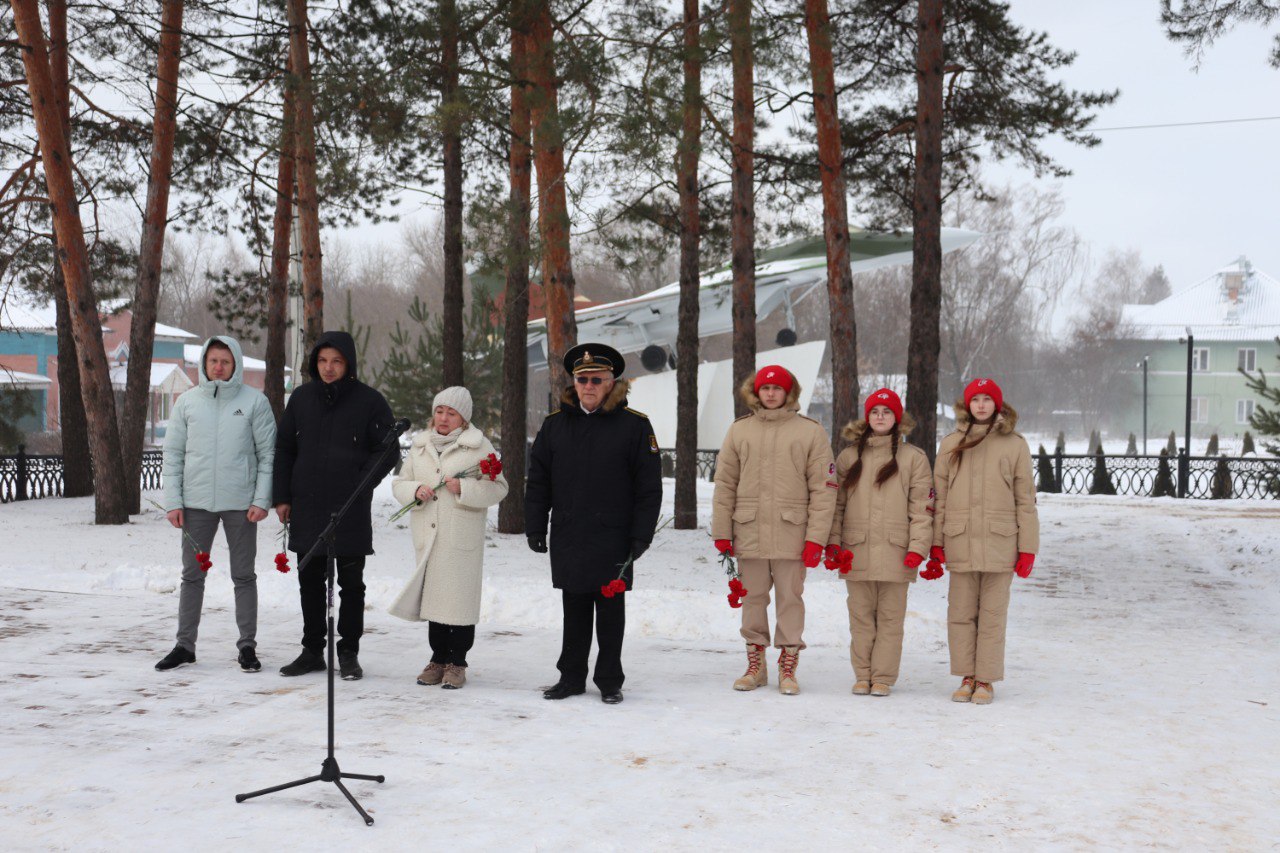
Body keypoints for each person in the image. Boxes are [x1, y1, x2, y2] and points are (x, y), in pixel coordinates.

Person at [525, 343, 662, 705]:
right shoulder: (555, 425)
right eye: (582, 379)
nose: (588, 386)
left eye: (596, 380)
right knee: (575, 609)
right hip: (570, 534)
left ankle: (609, 680)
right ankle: (570, 677)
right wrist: (535, 526)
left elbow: (649, 489)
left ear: (611, 382)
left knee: (610, 613)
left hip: (613, 537)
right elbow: (538, 480)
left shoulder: (635, 426)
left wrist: (640, 536)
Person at [273, 331, 397, 681]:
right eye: (323, 361)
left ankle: (348, 652)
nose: (329, 368)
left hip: (350, 508)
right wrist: (282, 497)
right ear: (315, 363)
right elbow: (284, 449)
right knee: (309, 580)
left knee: (351, 584)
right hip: (307, 505)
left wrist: (360, 481)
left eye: (337, 361)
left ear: (349, 363)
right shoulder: (301, 398)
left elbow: (388, 450)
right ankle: (312, 650)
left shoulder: (370, 401)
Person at [711, 365, 836, 695]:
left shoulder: (810, 432)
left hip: (791, 535)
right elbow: (725, 484)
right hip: (749, 531)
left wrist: (815, 539)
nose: (770, 394)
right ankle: (756, 665)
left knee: (789, 600)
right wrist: (722, 531)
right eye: (764, 388)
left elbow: (824, 489)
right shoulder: (739, 431)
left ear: (788, 393)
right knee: (753, 599)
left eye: (777, 389)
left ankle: (788, 665)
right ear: (756, 392)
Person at [156, 336, 276, 673]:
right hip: (195, 505)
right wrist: (173, 502)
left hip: (241, 505)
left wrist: (261, 499)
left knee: (243, 576)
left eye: (225, 361)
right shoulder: (188, 403)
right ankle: (184, 645)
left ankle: (247, 647)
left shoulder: (254, 402)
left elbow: (267, 455)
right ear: (204, 365)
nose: (219, 367)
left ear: (235, 363)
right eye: (213, 361)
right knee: (192, 576)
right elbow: (174, 454)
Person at [388, 387, 508, 690]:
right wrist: (415, 491)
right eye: (439, 411)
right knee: (434, 600)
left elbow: (499, 488)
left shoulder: (479, 448)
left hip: (460, 537)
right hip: (428, 534)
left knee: (458, 601)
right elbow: (400, 483)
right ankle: (437, 658)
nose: (443, 418)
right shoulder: (420, 444)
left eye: (451, 413)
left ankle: (458, 662)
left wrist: (464, 490)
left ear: (463, 419)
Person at [932, 377, 1040, 705]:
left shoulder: (1015, 445)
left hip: (1000, 543)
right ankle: (967, 675)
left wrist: (1027, 548)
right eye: (975, 399)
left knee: (992, 614)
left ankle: (986, 680)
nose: (981, 405)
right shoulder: (951, 444)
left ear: (997, 405)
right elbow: (939, 497)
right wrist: (936, 544)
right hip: (960, 540)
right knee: (961, 613)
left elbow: (1025, 499)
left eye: (987, 400)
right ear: (967, 406)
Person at [827, 388, 933, 697]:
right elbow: (837, 506)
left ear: (897, 418)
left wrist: (917, 547)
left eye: (887, 412)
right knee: (860, 618)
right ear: (867, 417)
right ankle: (862, 674)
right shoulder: (849, 457)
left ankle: (883, 676)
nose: (880, 417)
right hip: (856, 550)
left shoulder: (914, 458)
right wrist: (833, 543)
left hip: (896, 551)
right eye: (875, 412)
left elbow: (922, 508)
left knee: (890, 620)